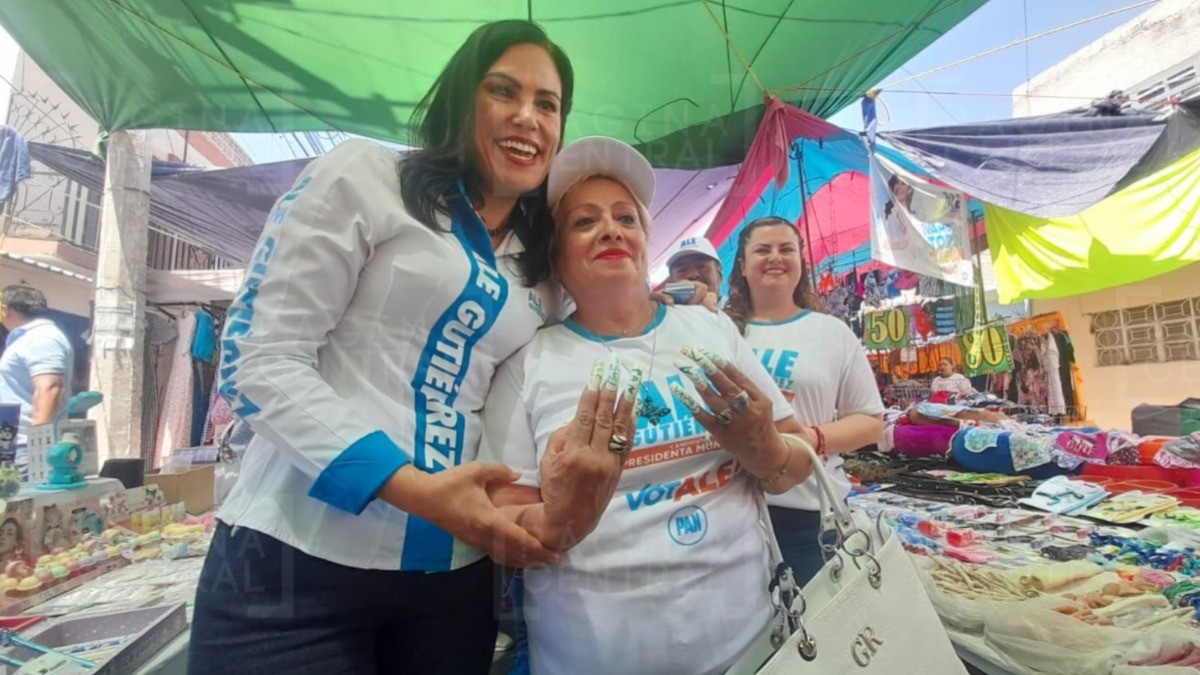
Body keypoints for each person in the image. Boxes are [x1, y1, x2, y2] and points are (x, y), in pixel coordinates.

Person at [189, 20, 575, 674]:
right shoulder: (366, 177)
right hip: (290, 567)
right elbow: (257, 360)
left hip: (454, 582)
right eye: (503, 91)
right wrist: (415, 488)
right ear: (460, 101)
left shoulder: (540, 268)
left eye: (548, 104)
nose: (526, 116)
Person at [481, 137, 814, 675]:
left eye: (626, 218)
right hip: (590, 657)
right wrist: (560, 518)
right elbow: (499, 532)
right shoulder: (528, 364)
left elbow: (798, 462)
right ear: (556, 256)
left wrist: (767, 448)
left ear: (643, 242)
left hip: (751, 648)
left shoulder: (709, 328)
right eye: (584, 222)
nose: (611, 229)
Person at [724, 216, 885, 584]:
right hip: (732, 514)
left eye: (786, 249)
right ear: (743, 266)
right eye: (762, 250)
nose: (775, 258)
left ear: (801, 262)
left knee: (816, 632)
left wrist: (809, 440)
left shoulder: (831, 332)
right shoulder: (719, 330)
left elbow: (871, 421)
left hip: (810, 518)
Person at [0, 284, 73, 474]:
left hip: (24, 447)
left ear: (6, 310)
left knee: (15, 501)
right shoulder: (28, 338)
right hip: (12, 442)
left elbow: (50, 388)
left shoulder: (41, 338)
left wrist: (38, 448)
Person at [666, 234, 724, 303]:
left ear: (719, 274)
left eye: (701, 266)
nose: (693, 275)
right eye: (682, 270)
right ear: (671, 282)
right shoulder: (664, 312)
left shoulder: (737, 310)